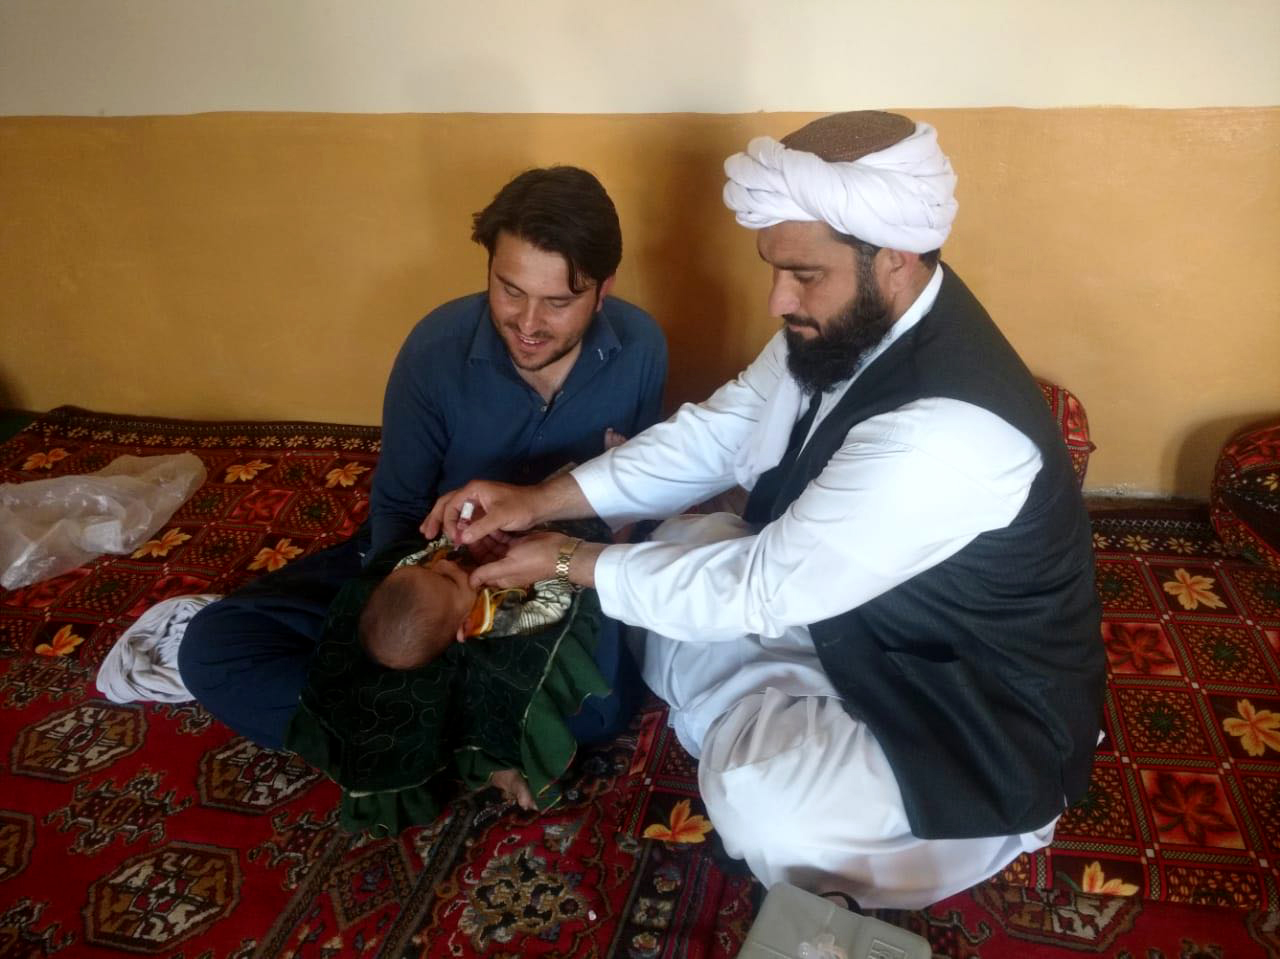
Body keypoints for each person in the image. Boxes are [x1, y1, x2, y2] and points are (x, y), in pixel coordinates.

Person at [424, 111, 1105, 910]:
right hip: (846, 612)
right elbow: (720, 432)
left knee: (765, 806)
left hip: (968, 703)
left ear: (893, 257)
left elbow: (761, 587)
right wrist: (542, 497)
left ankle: (958, 816)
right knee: (677, 557)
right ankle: (762, 703)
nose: (778, 297)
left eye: (804, 273)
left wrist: (566, 559)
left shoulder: (945, 431)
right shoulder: (844, 327)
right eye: (774, 268)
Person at [178, 165, 668, 753]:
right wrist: (429, 592)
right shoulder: (435, 349)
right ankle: (480, 741)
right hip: (430, 567)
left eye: (558, 302)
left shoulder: (640, 348)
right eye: (510, 290)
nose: (529, 324)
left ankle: (400, 736)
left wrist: (566, 561)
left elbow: (639, 488)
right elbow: (399, 504)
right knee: (214, 647)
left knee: (602, 710)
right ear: (488, 267)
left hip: (556, 582)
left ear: (603, 289)